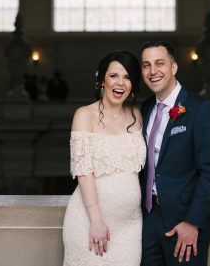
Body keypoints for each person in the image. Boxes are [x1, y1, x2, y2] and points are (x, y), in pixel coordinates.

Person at [139, 41, 210, 266]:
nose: (152, 71)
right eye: (146, 65)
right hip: (149, 219)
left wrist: (192, 222)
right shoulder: (144, 108)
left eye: (159, 63)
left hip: (184, 221)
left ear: (174, 67)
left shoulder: (200, 108)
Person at [62, 51, 147, 266]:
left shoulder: (137, 116)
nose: (120, 83)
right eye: (113, 76)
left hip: (130, 226)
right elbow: (83, 171)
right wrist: (96, 220)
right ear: (101, 80)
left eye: (127, 77)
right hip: (90, 222)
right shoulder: (84, 115)